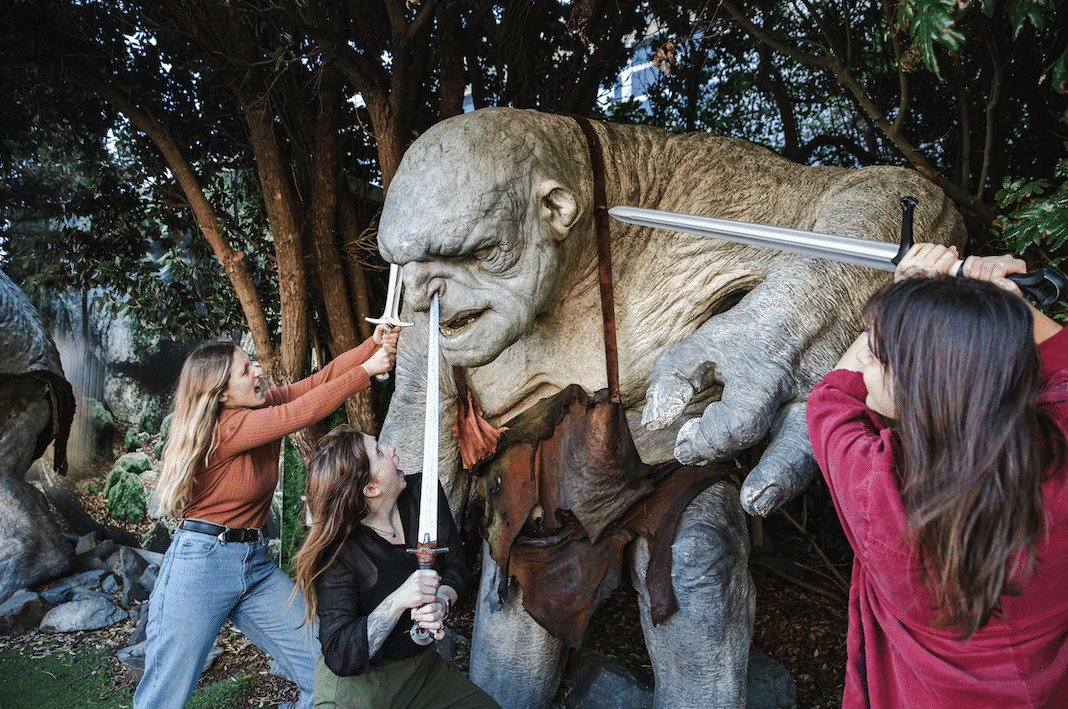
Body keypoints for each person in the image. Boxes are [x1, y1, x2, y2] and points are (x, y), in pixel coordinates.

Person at [806, 242, 1068, 708]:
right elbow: (1062, 356)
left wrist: (905, 291)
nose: (866, 360)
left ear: (922, 385)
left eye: (879, 353)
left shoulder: (877, 488)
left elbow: (831, 400)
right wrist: (1006, 302)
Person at [134, 325, 399, 709]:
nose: (257, 371)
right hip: (202, 566)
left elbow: (317, 382)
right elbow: (303, 411)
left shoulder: (256, 409)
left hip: (254, 565)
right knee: (164, 694)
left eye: (251, 363)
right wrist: (368, 371)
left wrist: (369, 347)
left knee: (324, 667)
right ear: (222, 394)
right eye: (245, 371)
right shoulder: (228, 427)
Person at [292, 425, 500, 709]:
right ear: (371, 488)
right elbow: (340, 653)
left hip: (422, 673)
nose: (392, 450)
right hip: (359, 690)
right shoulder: (338, 553)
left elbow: (455, 567)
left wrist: (441, 601)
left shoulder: (422, 496)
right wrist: (398, 601)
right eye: (379, 451)